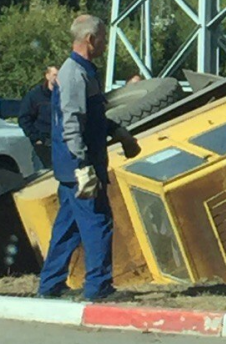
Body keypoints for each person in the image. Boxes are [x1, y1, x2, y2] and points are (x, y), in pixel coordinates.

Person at [38, 15, 141, 301]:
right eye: (104, 39)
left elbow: (93, 117)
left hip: (74, 165)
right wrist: (83, 164)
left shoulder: (85, 71)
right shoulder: (74, 74)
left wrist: (118, 131)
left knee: (68, 227)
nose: (105, 44)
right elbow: (71, 122)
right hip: (80, 166)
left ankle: (50, 284)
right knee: (98, 222)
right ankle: (98, 287)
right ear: (90, 39)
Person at [18, 66, 59, 169]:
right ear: (47, 76)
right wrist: (36, 138)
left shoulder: (65, 95)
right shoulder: (35, 96)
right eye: (55, 75)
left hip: (62, 143)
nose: (58, 78)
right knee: (44, 177)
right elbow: (24, 118)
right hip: (43, 145)